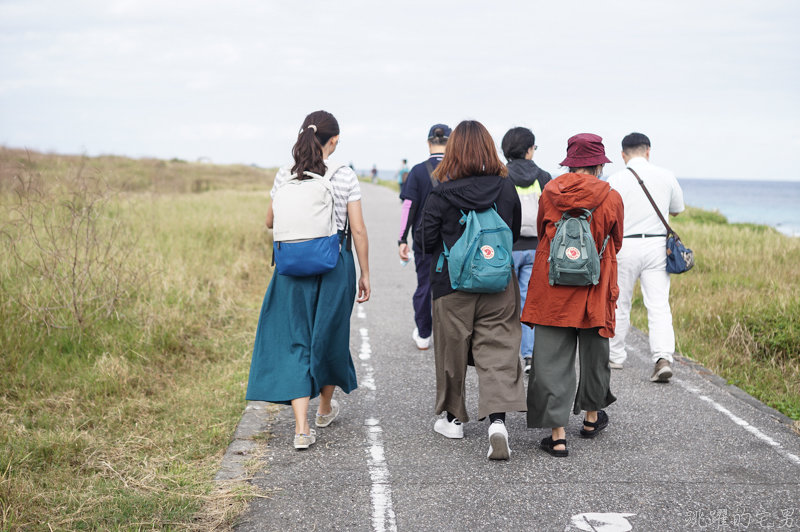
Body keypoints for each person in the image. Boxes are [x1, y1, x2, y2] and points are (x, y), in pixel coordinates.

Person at [246, 110, 371, 450]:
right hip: (335, 264)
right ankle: (325, 408)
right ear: (333, 141)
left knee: (295, 339)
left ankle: (301, 429)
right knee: (329, 335)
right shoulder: (344, 176)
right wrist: (365, 273)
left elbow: (270, 221)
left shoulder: (284, 174)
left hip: (291, 268)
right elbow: (357, 228)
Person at [416, 120, 526, 460]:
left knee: (452, 350)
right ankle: (497, 423)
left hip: (452, 285)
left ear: (453, 150)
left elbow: (424, 239)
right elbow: (515, 230)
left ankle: (453, 420)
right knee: (499, 348)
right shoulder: (506, 188)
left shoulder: (441, 191)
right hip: (498, 282)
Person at [521, 133, 624, 457]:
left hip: (552, 284)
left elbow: (542, 232)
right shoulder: (611, 196)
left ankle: (558, 435)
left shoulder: (550, 192)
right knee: (595, 352)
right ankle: (592, 419)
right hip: (595, 282)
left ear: (570, 162)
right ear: (598, 163)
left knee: (551, 359)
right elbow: (616, 241)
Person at [606, 132, 685, 382]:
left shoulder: (615, 178)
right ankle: (662, 358)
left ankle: (615, 356)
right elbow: (678, 209)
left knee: (620, 302)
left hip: (624, 244)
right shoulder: (666, 175)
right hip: (656, 246)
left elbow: (608, 213)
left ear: (622, 154)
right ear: (648, 151)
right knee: (659, 305)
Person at [500, 127, 552, 374]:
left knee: (502, 303)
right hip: (536, 248)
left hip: (507, 247)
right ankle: (529, 356)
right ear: (529, 150)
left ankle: (505, 356)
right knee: (528, 301)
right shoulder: (544, 176)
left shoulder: (501, 175)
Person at [398, 124, 450, 350]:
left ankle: (423, 333)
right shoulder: (458, 169)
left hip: (424, 242)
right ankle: (450, 335)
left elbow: (408, 207)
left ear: (429, 143)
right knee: (453, 288)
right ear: (451, 143)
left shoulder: (418, 171)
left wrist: (402, 239)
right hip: (454, 242)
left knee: (425, 285)